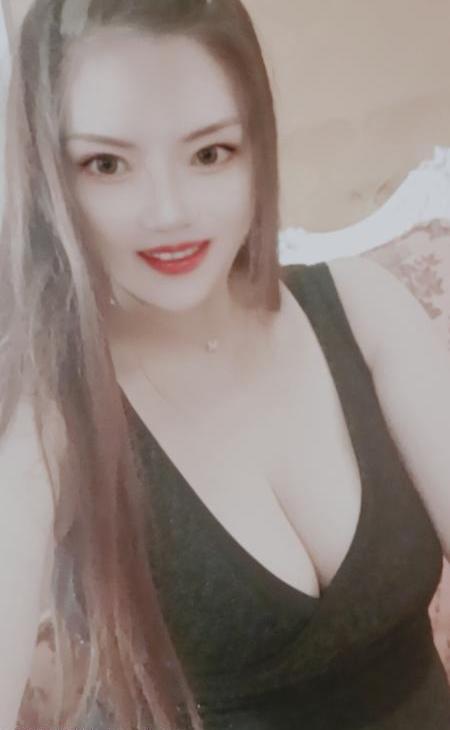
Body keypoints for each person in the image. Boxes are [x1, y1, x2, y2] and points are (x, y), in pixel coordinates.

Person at [1, 0, 450, 728]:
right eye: (108, 164)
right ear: (52, 175)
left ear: (256, 146)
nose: (169, 212)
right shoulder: (48, 413)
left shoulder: (362, 310)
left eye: (209, 153)